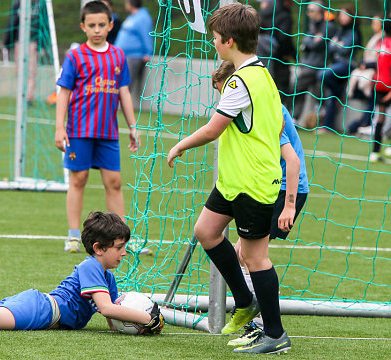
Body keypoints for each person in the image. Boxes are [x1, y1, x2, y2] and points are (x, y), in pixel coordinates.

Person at [167, 4, 290, 354]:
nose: (213, 43)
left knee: (255, 259)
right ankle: (245, 301)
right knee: (206, 231)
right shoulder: (261, 74)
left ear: (230, 41)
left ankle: (275, 334)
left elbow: (212, 129)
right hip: (233, 182)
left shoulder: (240, 81)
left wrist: (180, 146)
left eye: (216, 38)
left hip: (252, 184)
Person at [0, 211, 164, 333]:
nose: (124, 253)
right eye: (119, 248)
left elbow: (111, 319)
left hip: (39, 306)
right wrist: (146, 318)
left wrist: (137, 326)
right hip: (44, 309)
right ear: (98, 248)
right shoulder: (91, 267)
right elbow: (108, 308)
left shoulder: (106, 277)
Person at [211, 61, 309, 347]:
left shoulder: (270, 109)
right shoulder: (251, 104)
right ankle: (257, 322)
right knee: (244, 251)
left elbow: (292, 161)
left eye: (226, 93)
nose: (224, 102)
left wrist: (289, 205)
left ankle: (263, 326)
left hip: (285, 188)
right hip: (264, 184)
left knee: (248, 253)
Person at [55, 1, 140, 253]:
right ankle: (72, 235)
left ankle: (123, 237)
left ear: (110, 25)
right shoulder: (75, 56)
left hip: (108, 134)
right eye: (91, 25)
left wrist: (132, 125)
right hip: (79, 131)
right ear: (83, 27)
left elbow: (124, 91)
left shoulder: (117, 55)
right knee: (78, 179)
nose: (97, 29)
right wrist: (60, 127)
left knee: (114, 182)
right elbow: (64, 93)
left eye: (102, 24)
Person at [317, 4, 362, 133]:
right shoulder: (340, 30)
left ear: (352, 16)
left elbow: (344, 50)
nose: (342, 17)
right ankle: (328, 127)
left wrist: (336, 44)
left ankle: (340, 91)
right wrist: (337, 44)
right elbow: (330, 47)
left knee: (322, 75)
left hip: (347, 65)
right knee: (332, 96)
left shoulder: (354, 31)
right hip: (337, 64)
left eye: (345, 14)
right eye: (340, 14)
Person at [290, 1, 336, 122]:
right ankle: (297, 117)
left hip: (318, 65)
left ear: (318, 12)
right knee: (310, 89)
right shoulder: (312, 25)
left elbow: (316, 44)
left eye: (310, 11)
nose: (308, 13)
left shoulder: (328, 26)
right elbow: (307, 42)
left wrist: (310, 43)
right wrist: (311, 42)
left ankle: (294, 117)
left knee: (297, 85)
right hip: (308, 63)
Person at [3, 0, 49, 106]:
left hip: (33, 43)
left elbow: (45, 24)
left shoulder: (40, 5)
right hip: (19, 42)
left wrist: (42, 45)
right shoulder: (19, 4)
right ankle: (22, 95)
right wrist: (7, 41)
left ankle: (28, 98)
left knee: (31, 71)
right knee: (20, 71)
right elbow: (12, 22)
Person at [347, 14, 384, 135]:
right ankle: (363, 123)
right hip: (368, 71)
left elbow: (382, 59)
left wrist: (367, 66)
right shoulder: (374, 37)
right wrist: (363, 64)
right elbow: (366, 55)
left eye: (375, 23)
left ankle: (366, 124)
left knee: (373, 97)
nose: (373, 25)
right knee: (355, 78)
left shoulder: (384, 39)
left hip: (376, 74)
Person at [114, 0, 153, 101]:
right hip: (122, 55)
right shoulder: (132, 16)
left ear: (130, 4)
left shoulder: (143, 17)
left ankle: (122, 104)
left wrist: (148, 52)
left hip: (134, 56)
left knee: (126, 83)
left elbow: (146, 35)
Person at [369, 17, 391, 162]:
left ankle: (375, 153)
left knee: (381, 118)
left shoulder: (381, 42)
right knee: (382, 118)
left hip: (378, 83)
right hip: (388, 85)